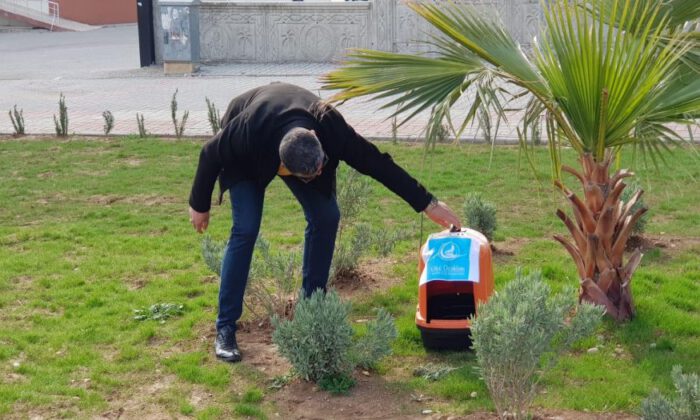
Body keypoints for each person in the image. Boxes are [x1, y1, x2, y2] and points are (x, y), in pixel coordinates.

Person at [188, 82, 461, 363]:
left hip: (292, 130)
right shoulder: (248, 129)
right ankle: (225, 328)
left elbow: (377, 163)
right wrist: (200, 204)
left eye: (321, 168)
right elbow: (210, 154)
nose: (319, 175)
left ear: (315, 137)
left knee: (326, 216)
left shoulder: (329, 125)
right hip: (250, 150)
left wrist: (428, 203)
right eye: (309, 176)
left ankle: (311, 309)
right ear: (284, 167)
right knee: (245, 228)